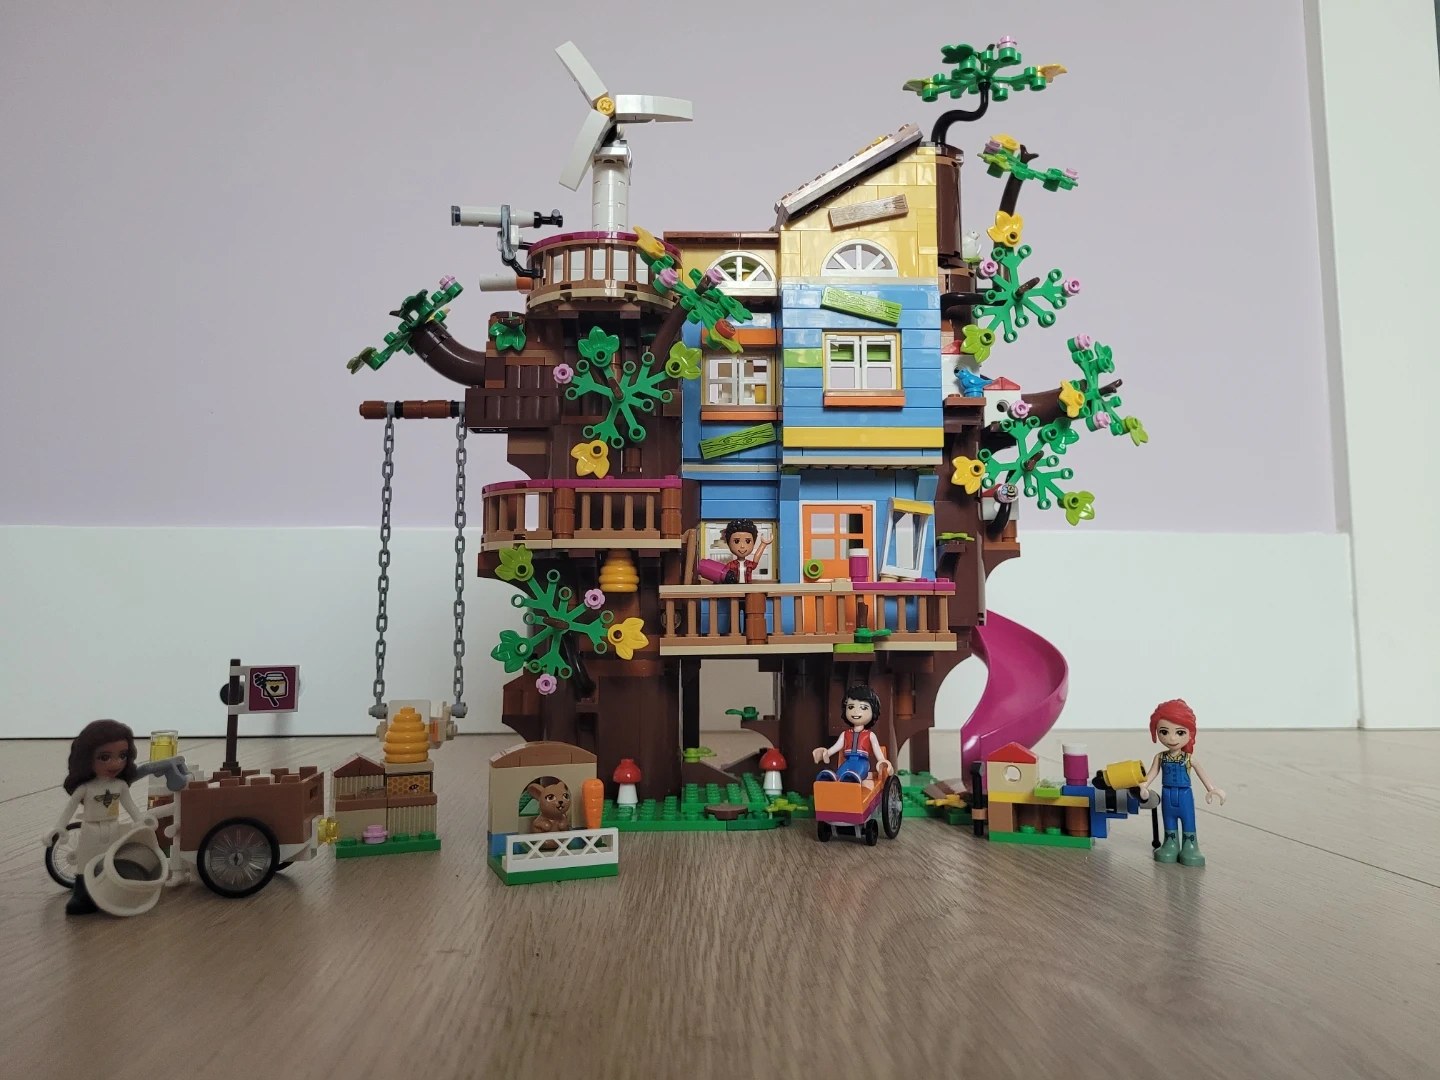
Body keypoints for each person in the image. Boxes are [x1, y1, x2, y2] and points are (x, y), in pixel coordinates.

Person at [44, 720, 155, 915]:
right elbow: (70, 808)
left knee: (110, 860)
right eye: (104, 757)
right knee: (86, 861)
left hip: (113, 827)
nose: (115, 763)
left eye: (122, 756)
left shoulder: (120, 785)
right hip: (91, 828)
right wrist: (60, 827)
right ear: (86, 758)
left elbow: (130, 805)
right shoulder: (86, 788)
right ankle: (82, 895)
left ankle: (109, 893)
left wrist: (140, 820)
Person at [1138, 699, 1225, 867]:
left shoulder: (1188, 759)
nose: (1171, 738)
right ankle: (1170, 844)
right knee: (1168, 820)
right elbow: (1152, 773)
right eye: (1164, 732)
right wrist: (1143, 785)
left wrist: (1212, 789)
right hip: (1167, 793)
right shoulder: (1160, 757)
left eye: (1179, 732)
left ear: (1190, 733)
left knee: (1188, 820)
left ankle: (1190, 846)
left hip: (1184, 794)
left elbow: (1201, 773)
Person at [813, 686, 890, 784]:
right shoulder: (845, 734)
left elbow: (877, 749)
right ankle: (831, 780)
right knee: (840, 773)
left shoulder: (870, 735)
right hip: (848, 762)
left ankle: (852, 780)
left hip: (862, 763)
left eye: (863, 708)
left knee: (855, 774)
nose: (856, 711)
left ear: (873, 711)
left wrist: (882, 760)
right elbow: (836, 747)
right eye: (851, 707)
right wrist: (826, 753)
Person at [720, 519, 769, 585]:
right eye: (736, 541)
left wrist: (763, 544)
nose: (742, 546)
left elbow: (756, 559)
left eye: (748, 541)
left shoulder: (749, 564)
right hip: (734, 587)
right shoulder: (730, 565)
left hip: (748, 587)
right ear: (729, 544)